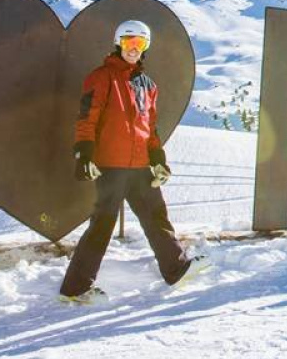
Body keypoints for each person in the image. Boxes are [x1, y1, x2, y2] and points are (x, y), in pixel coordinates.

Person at [59, 19, 203, 303]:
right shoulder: (101, 77)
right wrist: (84, 154)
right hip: (111, 166)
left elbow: (150, 129)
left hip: (139, 167)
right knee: (102, 225)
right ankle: (75, 289)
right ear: (118, 44)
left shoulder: (148, 86)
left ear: (145, 47)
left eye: (140, 43)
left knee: (156, 217)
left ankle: (175, 268)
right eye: (128, 42)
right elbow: (87, 118)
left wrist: (158, 160)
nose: (133, 48)